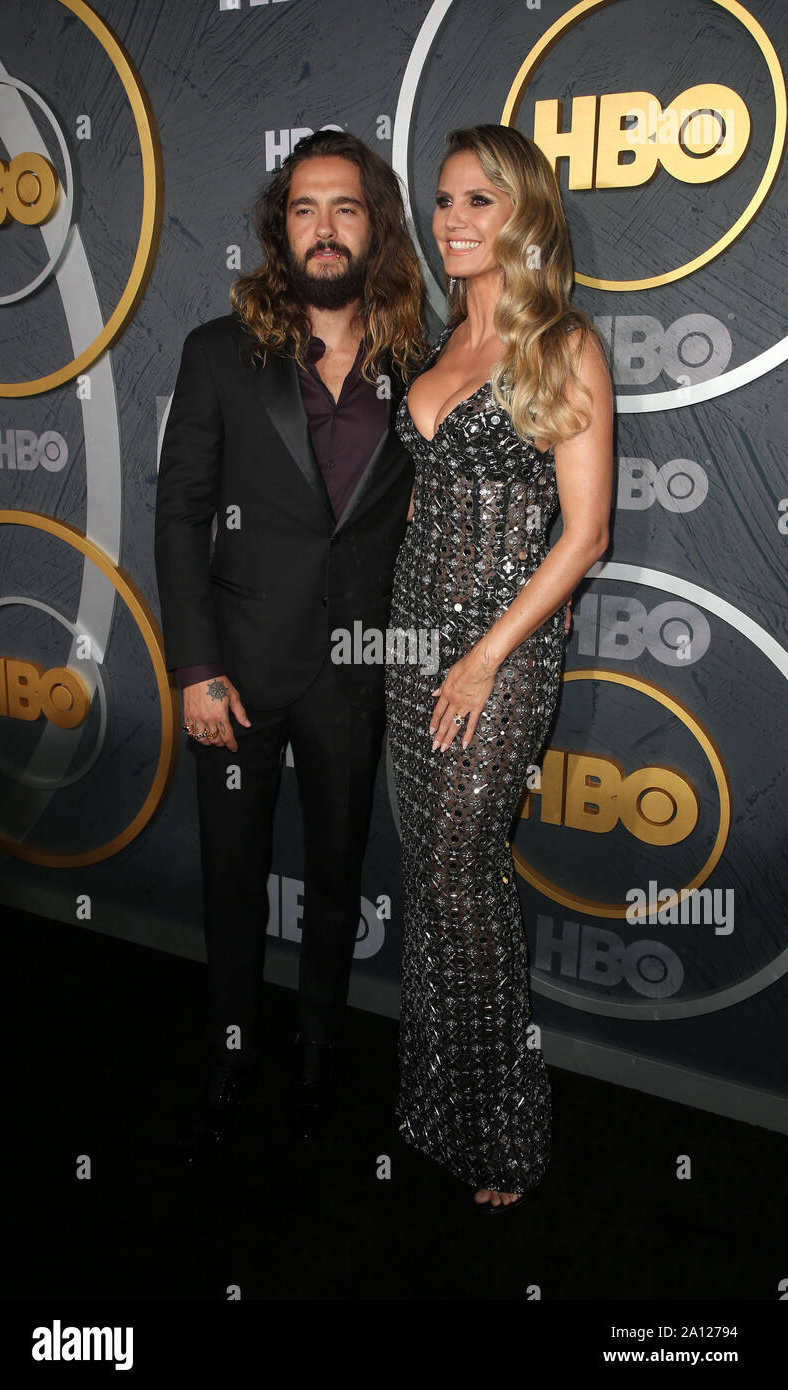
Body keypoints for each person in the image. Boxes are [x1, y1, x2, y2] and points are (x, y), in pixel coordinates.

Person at [154, 130, 426, 1159]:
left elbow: (470, 494)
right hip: (234, 673)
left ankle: (316, 1054)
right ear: (281, 229)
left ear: (374, 226)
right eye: (305, 209)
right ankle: (232, 1052)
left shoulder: (419, 365)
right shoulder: (218, 354)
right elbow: (179, 514)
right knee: (228, 879)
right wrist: (191, 665)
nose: (324, 228)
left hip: (353, 676)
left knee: (333, 879)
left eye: (345, 208)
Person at [385, 125, 613, 1212]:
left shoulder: (558, 343)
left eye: (478, 200)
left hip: (499, 650)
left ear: (521, 214)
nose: (451, 220)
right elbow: (430, 497)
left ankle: (504, 1132)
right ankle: (437, 1107)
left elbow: (584, 535)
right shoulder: (439, 347)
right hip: (411, 640)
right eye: (441, 200)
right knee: (425, 885)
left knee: (459, 881)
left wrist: (480, 654)